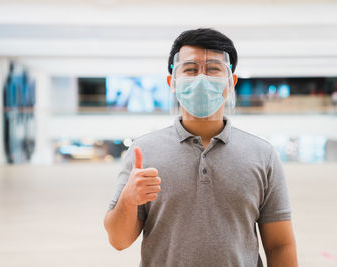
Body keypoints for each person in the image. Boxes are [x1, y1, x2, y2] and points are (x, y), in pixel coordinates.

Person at [104, 28, 298, 267]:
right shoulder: (143, 152)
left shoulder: (263, 154)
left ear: (230, 82)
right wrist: (129, 199)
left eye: (214, 68)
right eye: (191, 69)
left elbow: (280, 245)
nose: (202, 78)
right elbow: (118, 240)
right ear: (172, 83)